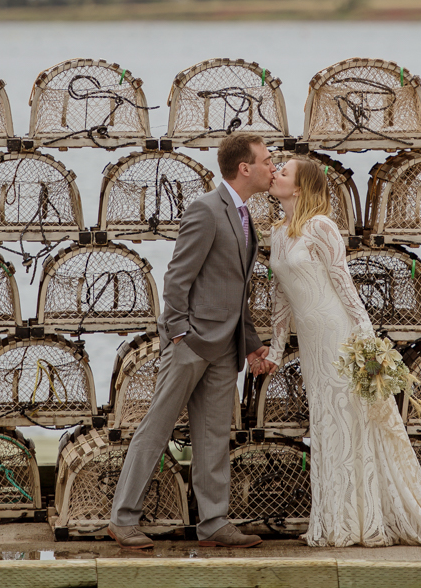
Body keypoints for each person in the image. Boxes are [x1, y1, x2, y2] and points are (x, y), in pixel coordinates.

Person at [266, 157, 421, 547]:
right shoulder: (278, 232)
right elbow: (280, 296)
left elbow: (343, 282)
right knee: (326, 425)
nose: (275, 174)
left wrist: (365, 336)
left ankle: (357, 521)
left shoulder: (321, 227)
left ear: (299, 188)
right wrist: (277, 349)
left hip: (338, 335)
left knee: (349, 423)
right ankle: (333, 519)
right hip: (312, 343)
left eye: (283, 171)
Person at [108, 132, 277, 550]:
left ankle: (214, 523)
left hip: (225, 347)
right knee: (157, 427)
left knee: (214, 436)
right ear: (245, 168)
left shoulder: (244, 216)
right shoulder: (205, 210)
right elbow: (177, 279)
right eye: (267, 161)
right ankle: (122, 519)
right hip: (191, 343)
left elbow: (232, 289)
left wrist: (251, 341)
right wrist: (180, 334)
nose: (272, 167)